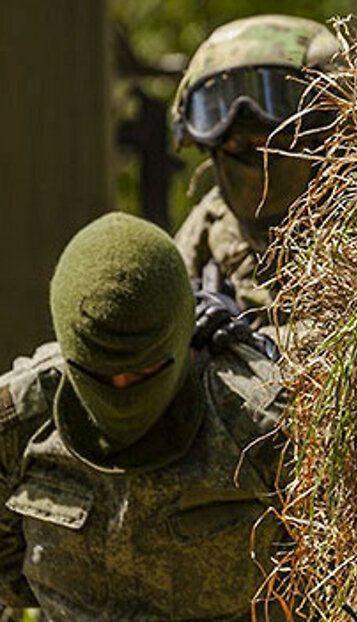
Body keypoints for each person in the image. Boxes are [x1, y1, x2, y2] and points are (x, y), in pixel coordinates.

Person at [0, 212, 287, 620]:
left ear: (182, 340)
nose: (121, 389)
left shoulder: (259, 424)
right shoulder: (22, 421)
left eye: (142, 372)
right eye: (97, 373)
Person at [172, 14, 342, 326]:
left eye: (272, 141)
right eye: (237, 144)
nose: (254, 157)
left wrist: (252, 349)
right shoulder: (211, 225)